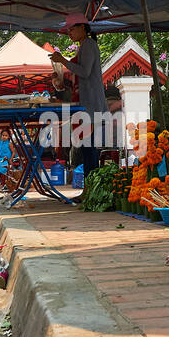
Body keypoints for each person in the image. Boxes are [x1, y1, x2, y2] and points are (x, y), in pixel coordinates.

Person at [50, 12, 107, 200]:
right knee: (86, 149)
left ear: (83, 27)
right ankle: (90, 192)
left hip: (90, 106)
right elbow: (79, 79)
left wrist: (63, 61)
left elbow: (84, 71)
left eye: (72, 29)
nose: (69, 33)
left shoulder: (89, 45)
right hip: (83, 106)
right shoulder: (83, 47)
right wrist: (60, 81)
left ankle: (93, 192)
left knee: (89, 150)